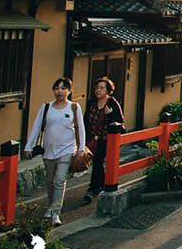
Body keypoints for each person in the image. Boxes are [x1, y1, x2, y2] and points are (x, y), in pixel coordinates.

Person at [24, 78, 85, 226]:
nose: (59, 91)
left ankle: (56, 213)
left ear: (69, 91)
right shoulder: (46, 107)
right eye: (56, 88)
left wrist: (81, 148)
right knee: (50, 181)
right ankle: (50, 207)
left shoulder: (74, 108)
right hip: (49, 150)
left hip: (67, 149)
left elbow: (81, 129)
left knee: (59, 180)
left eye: (63, 88)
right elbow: (36, 127)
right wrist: (28, 146)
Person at [83, 76, 124, 205]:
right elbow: (85, 120)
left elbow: (120, 122)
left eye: (102, 88)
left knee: (98, 161)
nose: (98, 90)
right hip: (92, 138)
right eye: (97, 87)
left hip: (106, 139)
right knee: (97, 162)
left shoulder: (112, 103)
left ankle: (92, 188)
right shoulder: (91, 102)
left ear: (108, 91)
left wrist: (109, 114)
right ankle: (100, 185)